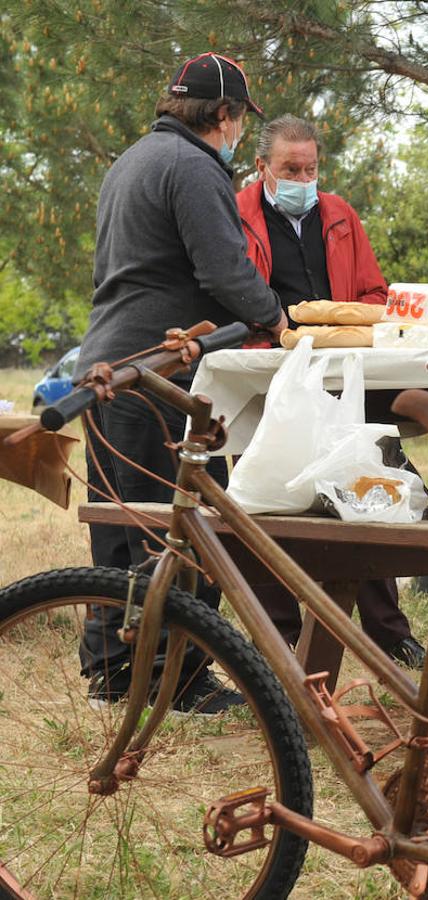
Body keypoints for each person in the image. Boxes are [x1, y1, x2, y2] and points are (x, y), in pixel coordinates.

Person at [77, 52, 283, 713]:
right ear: (223, 115)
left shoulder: (132, 159)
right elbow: (224, 271)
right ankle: (182, 682)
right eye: (239, 120)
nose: (239, 133)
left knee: (119, 529)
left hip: (108, 359)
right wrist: (276, 316)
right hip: (159, 371)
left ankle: (112, 674)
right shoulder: (194, 166)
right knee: (178, 532)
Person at [236, 114, 428, 669]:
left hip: (342, 374)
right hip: (264, 373)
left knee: (365, 488)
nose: (302, 178)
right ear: (262, 168)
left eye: (310, 168)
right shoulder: (236, 214)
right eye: (289, 169)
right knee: (263, 499)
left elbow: (373, 290)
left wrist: (352, 323)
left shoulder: (341, 214)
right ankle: (277, 642)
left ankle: (388, 631)